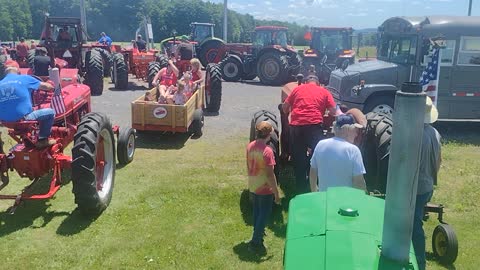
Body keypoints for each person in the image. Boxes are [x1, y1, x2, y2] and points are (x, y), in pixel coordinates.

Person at [282, 75, 337, 194]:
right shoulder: (324, 91)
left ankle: (301, 189)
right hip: (314, 126)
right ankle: (316, 186)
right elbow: (333, 111)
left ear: (305, 82)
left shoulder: (297, 89)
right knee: (318, 157)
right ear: (318, 83)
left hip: (296, 126)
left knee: (298, 159)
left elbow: (285, 108)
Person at [412, 96, 441, 270]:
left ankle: (420, 263)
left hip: (416, 188)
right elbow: (438, 161)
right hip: (428, 186)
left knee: (415, 226)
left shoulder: (414, 135)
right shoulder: (436, 133)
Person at [246, 121, 281, 253]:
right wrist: (276, 193)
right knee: (264, 215)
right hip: (265, 188)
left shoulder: (250, 146)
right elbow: (270, 174)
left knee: (256, 211)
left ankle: (258, 234)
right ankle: (256, 242)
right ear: (269, 134)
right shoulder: (268, 152)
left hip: (254, 184)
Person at [309, 113, 367, 192]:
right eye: (355, 130)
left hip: (325, 200)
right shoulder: (353, 150)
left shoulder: (320, 144)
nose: (356, 134)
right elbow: (359, 182)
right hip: (345, 202)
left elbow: (313, 172)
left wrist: (314, 191)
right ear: (348, 130)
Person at [0, 66, 55, 148]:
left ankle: (28, 140)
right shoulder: (24, 79)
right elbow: (47, 87)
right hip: (24, 119)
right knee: (51, 112)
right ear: (18, 72)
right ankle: (43, 139)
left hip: (6, 122)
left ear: (5, 73)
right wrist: (51, 86)